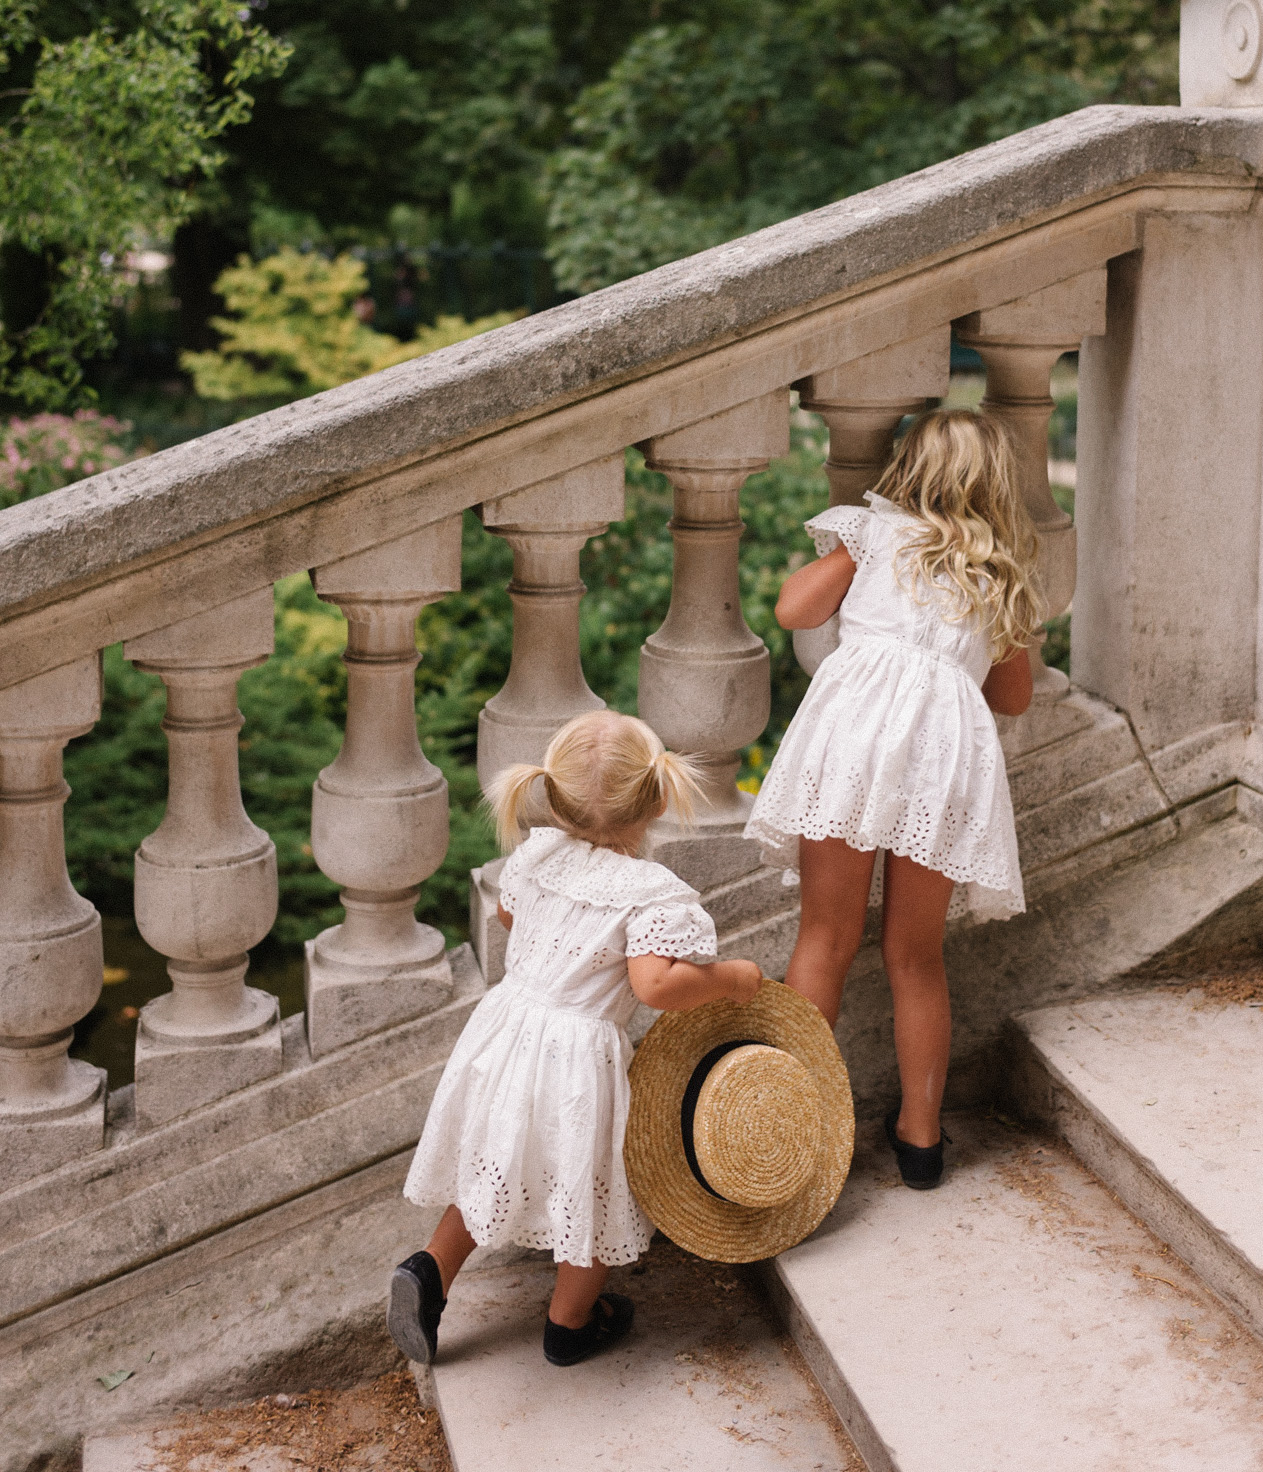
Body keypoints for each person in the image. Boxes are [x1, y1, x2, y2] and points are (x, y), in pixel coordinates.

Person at [387, 709, 763, 1369]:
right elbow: (654, 984)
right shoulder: (651, 892)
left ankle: (430, 1271)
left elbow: (508, 912)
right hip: (576, 1060)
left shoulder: (538, 854)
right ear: (657, 797)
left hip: (505, 1036)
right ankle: (570, 1322)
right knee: (588, 1189)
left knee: (490, 1166)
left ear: (553, 791)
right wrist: (731, 977)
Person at [745, 408, 1041, 1190]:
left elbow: (794, 611)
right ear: (993, 484)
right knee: (915, 955)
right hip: (941, 759)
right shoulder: (998, 571)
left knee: (825, 938)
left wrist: (851, 551)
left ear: (908, 470)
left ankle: (784, 1125)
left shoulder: (871, 534)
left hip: (853, 740)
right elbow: (1012, 698)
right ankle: (920, 1139)